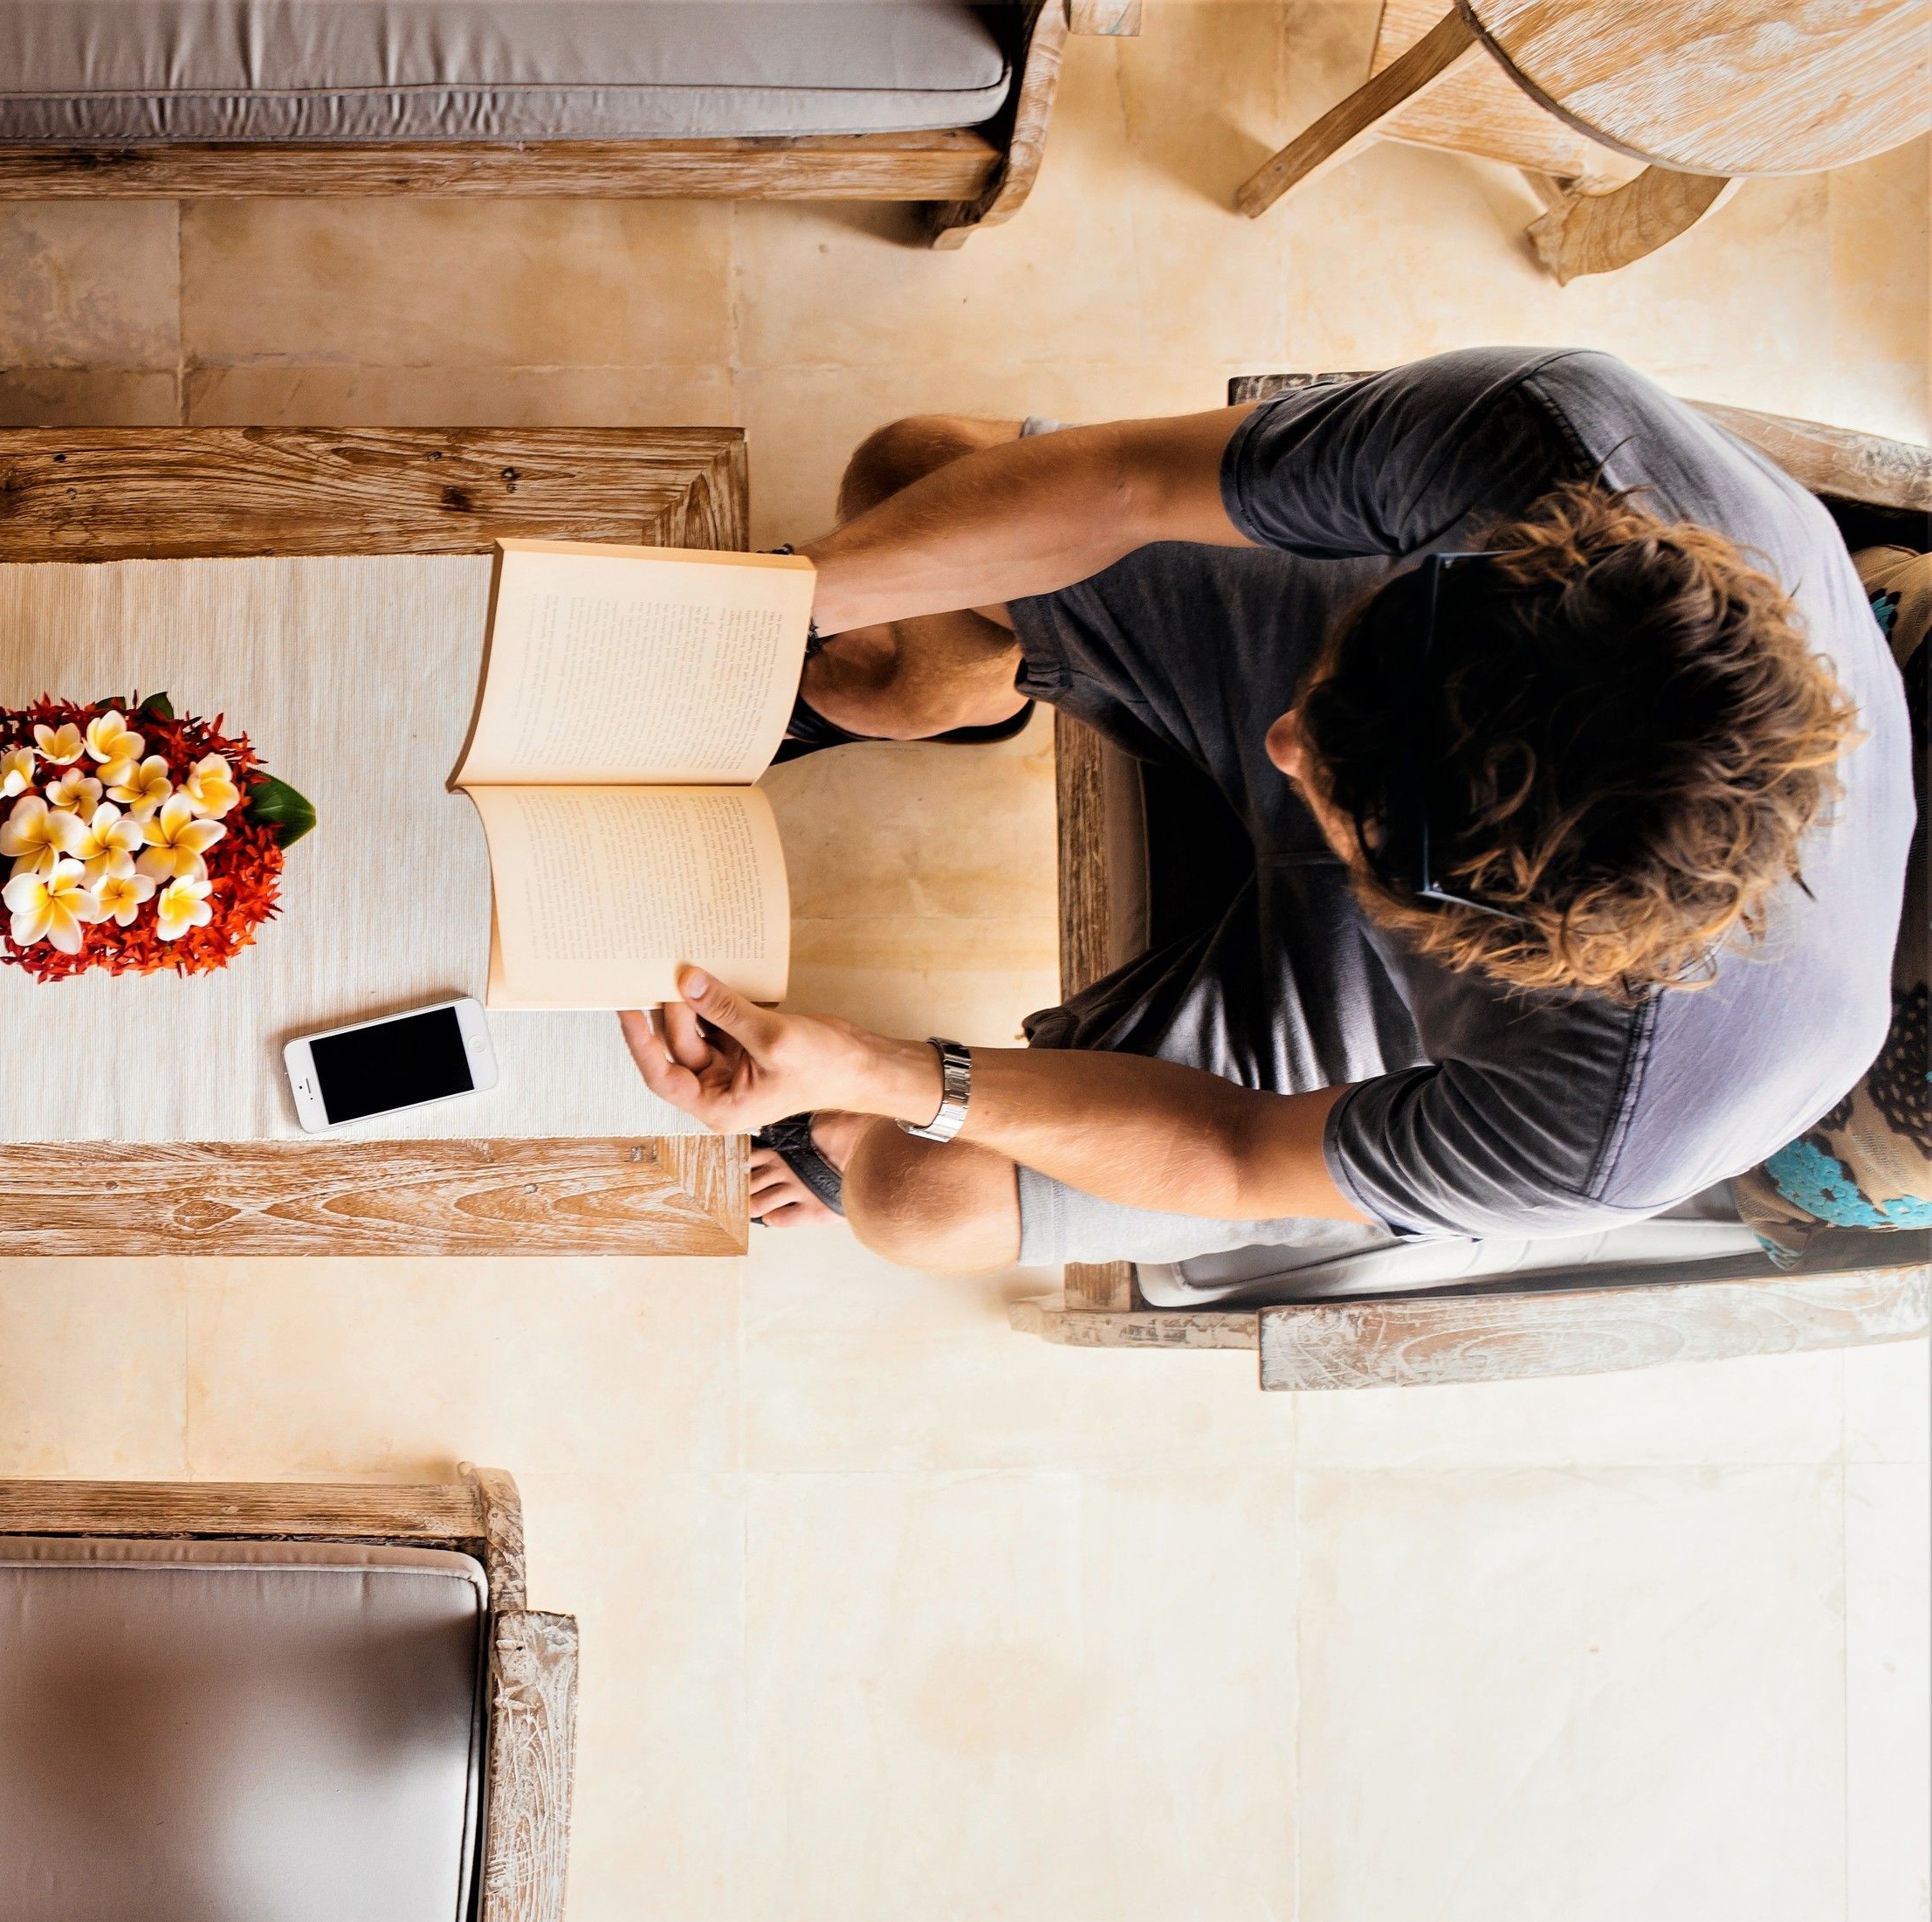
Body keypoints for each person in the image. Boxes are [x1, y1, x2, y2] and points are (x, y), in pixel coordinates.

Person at [622, 347, 1913, 1271]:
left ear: (1488, 934)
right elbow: (1128, 481)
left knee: (918, 1199)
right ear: (1498, 573)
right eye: (1337, 691)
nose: (1285, 739)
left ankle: (976, 681)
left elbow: (1240, 1153)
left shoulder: (1609, 1129)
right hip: (1460, 739)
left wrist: (883, 1072)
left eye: (1329, 784)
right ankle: (961, 681)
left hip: (1402, 1017)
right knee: (913, 471)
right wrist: (765, 613)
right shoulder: (1554, 443)